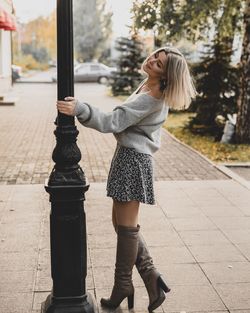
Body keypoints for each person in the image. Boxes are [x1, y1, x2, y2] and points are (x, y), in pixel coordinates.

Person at [57, 46, 197, 312]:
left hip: (133, 161)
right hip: (127, 157)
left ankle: (123, 285)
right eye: (156, 55)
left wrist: (80, 109)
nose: (152, 60)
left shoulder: (153, 97)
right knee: (121, 224)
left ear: (166, 75)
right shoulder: (147, 85)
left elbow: (113, 121)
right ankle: (150, 276)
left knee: (127, 227)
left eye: (159, 63)